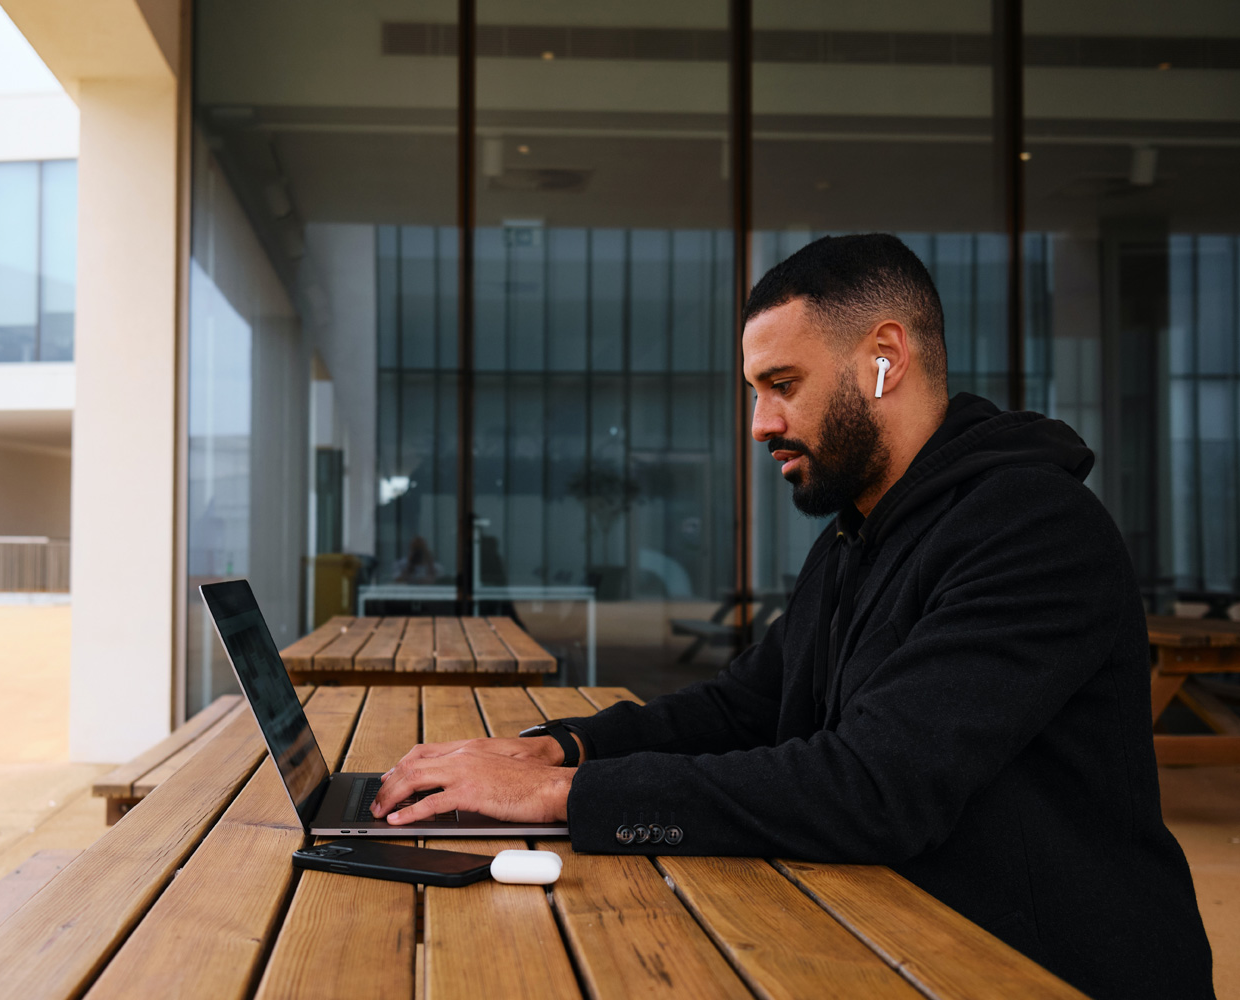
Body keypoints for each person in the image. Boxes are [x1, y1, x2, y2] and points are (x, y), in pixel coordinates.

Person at [371, 234, 1214, 1000]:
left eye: (782, 385)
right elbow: (743, 707)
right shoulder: (861, 532)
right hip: (890, 936)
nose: (759, 424)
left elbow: (875, 788)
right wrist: (557, 747)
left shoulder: (1032, 527)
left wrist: (564, 794)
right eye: (754, 391)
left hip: (1038, 970)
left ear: (885, 358)